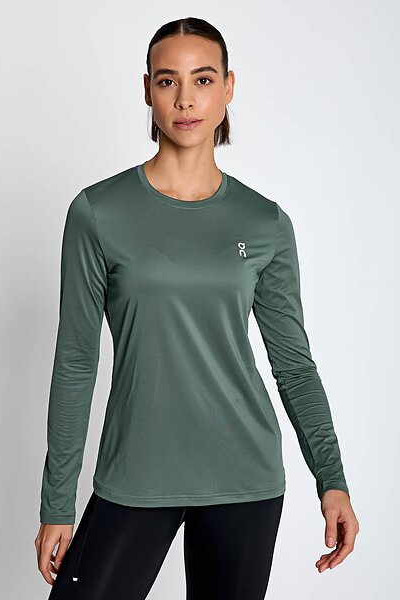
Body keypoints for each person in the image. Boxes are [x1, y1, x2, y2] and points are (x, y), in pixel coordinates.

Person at [34, 16, 360, 599]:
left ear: (229, 87)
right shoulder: (97, 213)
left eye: (203, 79)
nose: (185, 98)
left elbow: (293, 365)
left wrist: (331, 479)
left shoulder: (264, 223)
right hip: (136, 473)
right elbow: (76, 362)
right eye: (168, 81)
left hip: (245, 476)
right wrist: (57, 502)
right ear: (148, 90)